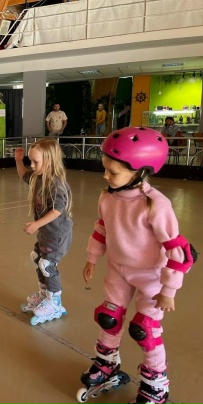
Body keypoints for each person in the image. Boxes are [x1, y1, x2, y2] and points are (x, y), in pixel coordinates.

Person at [79, 127, 196, 403]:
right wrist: (92, 258)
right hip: (117, 268)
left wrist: (169, 290)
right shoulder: (107, 197)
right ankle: (107, 362)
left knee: (145, 329)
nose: (106, 176)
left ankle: (156, 383)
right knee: (108, 317)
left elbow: (177, 250)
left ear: (140, 171)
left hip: (150, 276)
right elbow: (102, 228)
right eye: (105, 169)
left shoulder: (155, 205)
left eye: (113, 172)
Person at [14, 138, 73, 325]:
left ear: (50, 161)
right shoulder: (38, 177)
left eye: (35, 162)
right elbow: (24, 175)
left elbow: (57, 210)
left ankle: (54, 301)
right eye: (30, 161)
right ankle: (44, 294)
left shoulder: (56, 184)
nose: (31, 165)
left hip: (58, 234)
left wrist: (36, 224)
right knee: (36, 258)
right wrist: (18, 161)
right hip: (47, 232)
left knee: (47, 264)